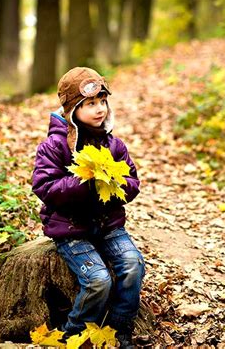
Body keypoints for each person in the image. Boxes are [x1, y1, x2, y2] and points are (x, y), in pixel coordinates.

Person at [32, 67, 145, 347]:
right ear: (72, 110)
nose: (99, 110)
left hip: (108, 225)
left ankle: (119, 327)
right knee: (98, 280)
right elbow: (44, 188)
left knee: (133, 265)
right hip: (71, 229)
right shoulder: (54, 146)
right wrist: (84, 182)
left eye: (102, 102)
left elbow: (133, 182)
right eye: (90, 104)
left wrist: (116, 184)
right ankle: (75, 334)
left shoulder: (113, 144)